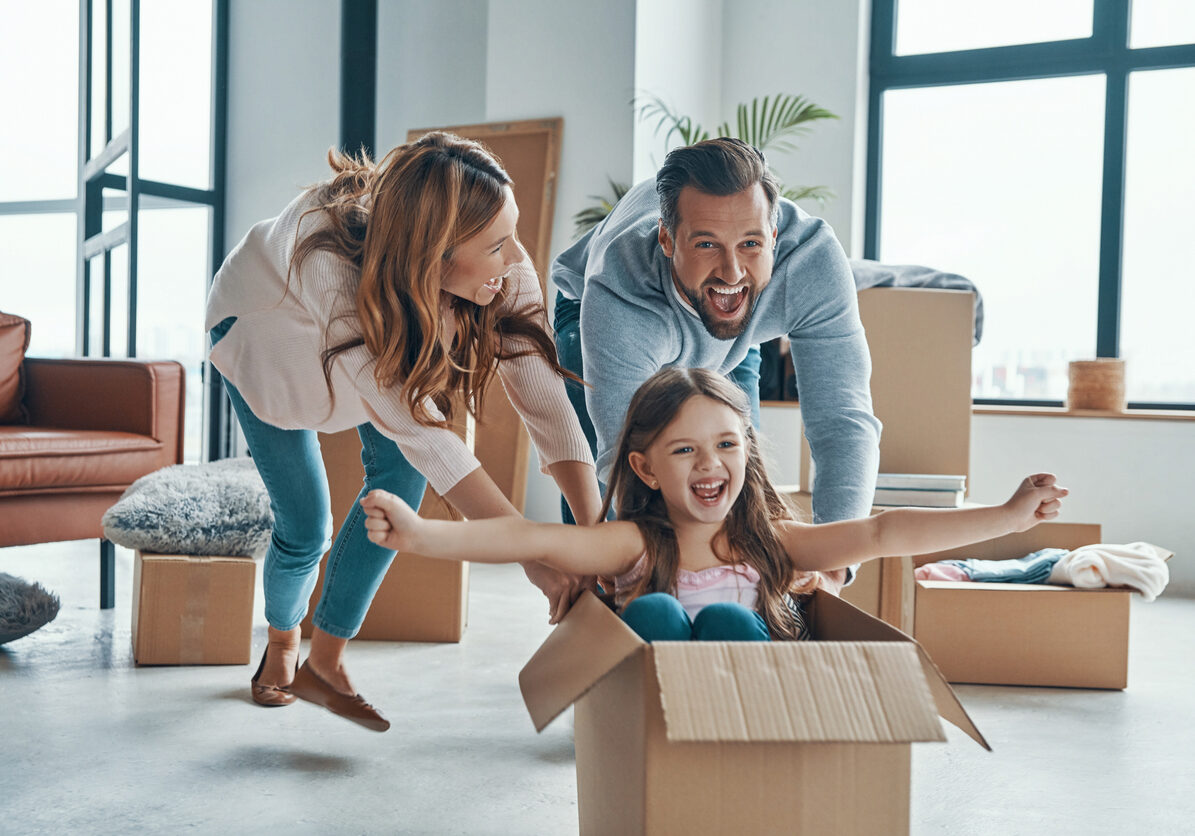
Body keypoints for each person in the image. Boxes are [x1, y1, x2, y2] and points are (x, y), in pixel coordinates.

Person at [205, 132, 602, 731]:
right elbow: (428, 435)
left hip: (367, 356)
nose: (518, 259)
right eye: (497, 246)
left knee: (400, 489)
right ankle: (284, 640)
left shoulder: (500, 272)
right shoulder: (330, 266)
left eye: (512, 234)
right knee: (305, 526)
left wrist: (594, 541)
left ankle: (327, 664)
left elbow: (547, 403)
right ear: (435, 256)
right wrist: (535, 556)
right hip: (267, 349)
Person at [359, 368, 1067, 643]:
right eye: (684, 451)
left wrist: (1006, 518)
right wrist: (423, 536)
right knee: (658, 611)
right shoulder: (633, 542)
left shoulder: (773, 544)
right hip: (651, 716)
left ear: (746, 453)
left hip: (746, 712)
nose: (709, 465)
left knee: (730, 615)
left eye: (726, 445)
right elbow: (532, 541)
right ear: (643, 467)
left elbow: (884, 531)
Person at [552, 137, 882, 593]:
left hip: (731, 329)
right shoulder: (620, 289)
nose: (731, 270)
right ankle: (593, 606)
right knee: (607, 531)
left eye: (751, 244)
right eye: (707, 244)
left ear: (774, 236)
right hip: (593, 310)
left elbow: (843, 421)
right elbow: (624, 457)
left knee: (741, 478)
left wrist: (832, 566)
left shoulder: (812, 264)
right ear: (667, 240)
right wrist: (649, 576)